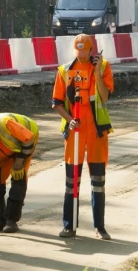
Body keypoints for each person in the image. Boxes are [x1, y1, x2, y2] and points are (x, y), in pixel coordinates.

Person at [51, 34, 114, 240]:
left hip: (96, 131)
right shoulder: (64, 71)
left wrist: (96, 71)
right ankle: (69, 226)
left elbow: (104, 96)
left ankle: (100, 227)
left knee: (98, 181)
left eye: (84, 51)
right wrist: (69, 119)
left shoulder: (103, 67)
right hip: (75, 131)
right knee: (72, 182)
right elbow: (57, 103)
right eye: (77, 52)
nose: (81, 56)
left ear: (91, 49)